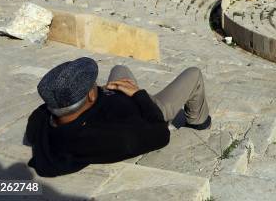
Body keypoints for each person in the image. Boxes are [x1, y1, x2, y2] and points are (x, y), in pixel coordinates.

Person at [25, 57, 211, 177]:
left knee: (119, 68)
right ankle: (198, 120)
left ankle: (121, 87)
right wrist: (139, 95)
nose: (96, 85)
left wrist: (106, 91)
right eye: (93, 85)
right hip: (148, 109)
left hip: (113, 100)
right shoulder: (114, 138)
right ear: (90, 96)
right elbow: (161, 134)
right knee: (193, 73)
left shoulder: (43, 117)